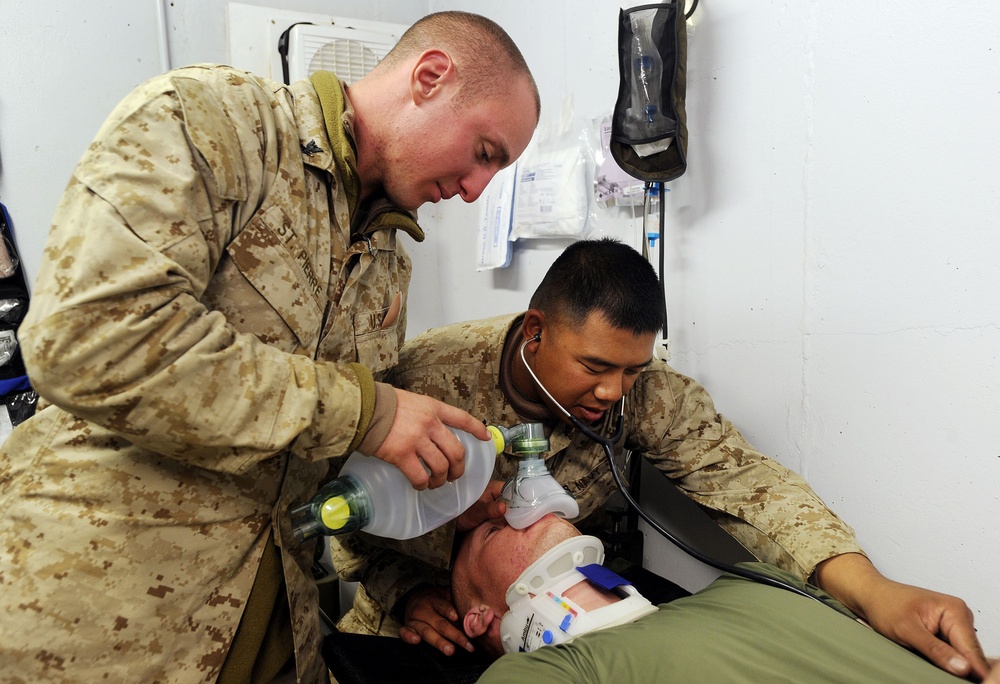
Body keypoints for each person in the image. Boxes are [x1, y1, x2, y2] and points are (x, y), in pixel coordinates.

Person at [0, 11, 538, 683]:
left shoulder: (386, 262)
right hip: (102, 615)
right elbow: (86, 336)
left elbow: (321, 449)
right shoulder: (215, 121)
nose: (475, 190)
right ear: (431, 77)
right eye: (485, 152)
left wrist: (442, 498)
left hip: (273, 614)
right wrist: (368, 414)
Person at [336, 238, 993, 682]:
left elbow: (747, 484)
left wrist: (874, 592)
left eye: (632, 369)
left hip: (563, 620)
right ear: (535, 331)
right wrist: (409, 595)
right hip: (414, 617)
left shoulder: (644, 393)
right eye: (595, 367)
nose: (612, 392)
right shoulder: (419, 381)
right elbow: (345, 521)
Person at [452, 514, 1000, 683]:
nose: (513, 506)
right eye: (493, 530)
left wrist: (874, 591)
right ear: (483, 617)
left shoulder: (754, 578)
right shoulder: (552, 672)